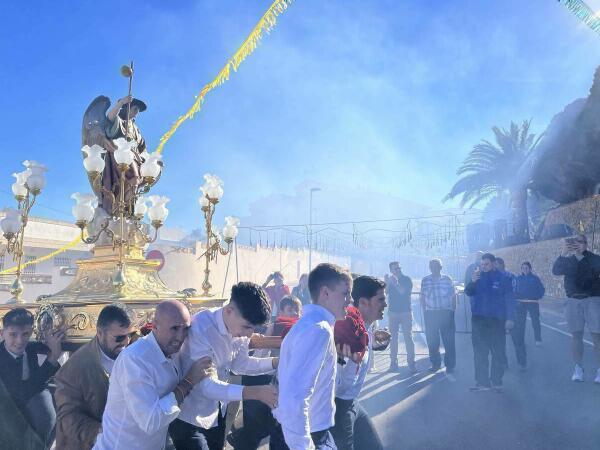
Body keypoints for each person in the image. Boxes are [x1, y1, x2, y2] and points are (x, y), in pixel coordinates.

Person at [170, 282, 279, 450]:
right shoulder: (202, 328)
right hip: (189, 416)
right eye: (246, 327)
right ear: (229, 311)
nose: (249, 334)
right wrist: (256, 392)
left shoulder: (239, 329)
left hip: (217, 413)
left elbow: (240, 365)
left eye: (253, 328)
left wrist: (275, 362)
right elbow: (206, 386)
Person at [93, 300, 214, 450]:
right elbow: (151, 422)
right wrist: (188, 382)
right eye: (174, 328)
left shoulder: (174, 351)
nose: (181, 336)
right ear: (155, 326)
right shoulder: (135, 359)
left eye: (186, 329)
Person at [271, 263, 353, 450]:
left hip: (307, 432)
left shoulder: (313, 325)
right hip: (305, 436)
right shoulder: (318, 330)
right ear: (325, 293)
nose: (350, 300)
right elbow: (294, 398)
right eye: (346, 293)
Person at [54, 304, 134, 450]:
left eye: (130, 335)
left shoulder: (134, 353)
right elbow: (68, 418)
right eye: (119, 337)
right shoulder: (74, 368)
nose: (126, 342)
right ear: (99, 333)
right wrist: (106, 433)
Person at [227, 295, 302, 450]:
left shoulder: (297, 331)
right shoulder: (274, 328)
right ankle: (239, 439)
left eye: (297, 310)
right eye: (290, 309)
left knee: (267, 427)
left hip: (276, 386)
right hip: (258, 380)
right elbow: (258, 358)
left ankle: (238, 437)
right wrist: (269, 338)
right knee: (256, 427)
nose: (294, 313)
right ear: (280, 311)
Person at [331, 275, 389, 450]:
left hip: (351, 403)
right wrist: (354, 362)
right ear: (363, 303)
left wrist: (374, 342)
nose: (385, 305)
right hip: (337, 408)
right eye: (381, 300)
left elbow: (366, 339)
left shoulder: (363, 327)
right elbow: (338, 388)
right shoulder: (348, 334)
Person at [0, 308, 64, 449]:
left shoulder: (30, 348)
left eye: (25, 334)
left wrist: (53, 338)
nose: (20, 341)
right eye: (13, 335)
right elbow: (22, 392)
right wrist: (52, 359)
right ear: (2, 334)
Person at [552, 234, 600, 383]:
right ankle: (578, 368)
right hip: (573, 300)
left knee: (597, 337)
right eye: (575, 242)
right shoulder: (567, 260)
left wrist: (583, 256)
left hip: (592, 299)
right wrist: (563, 253)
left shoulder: (594, 258)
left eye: (581, 242)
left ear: (586, 244)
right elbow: (555, 271)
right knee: (576, 336)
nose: (578, 245)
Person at [464, 253, 515, 392]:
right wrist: (473, 281)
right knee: (480, 352)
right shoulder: (477, 277)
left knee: (497, 352)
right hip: (479, 320)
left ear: (493, 264)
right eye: (482, 264)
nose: (483, 267)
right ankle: (482, 382)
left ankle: (497, 381)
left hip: (497, 320)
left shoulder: (503, 278)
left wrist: (510, 318)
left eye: (486, 264)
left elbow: (510, 299)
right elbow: (468, 292)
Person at [420, 259, 457, 374]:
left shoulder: (447, 279)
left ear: (441, 267)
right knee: (432, 341)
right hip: (431, 313)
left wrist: (452, 311)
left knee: (449, 340)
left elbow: (453, 295)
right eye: (431, 266)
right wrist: (425, 312)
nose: (433, 268)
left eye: (436, 266)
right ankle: (435, 363)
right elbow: (422, 297)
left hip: (446, 312)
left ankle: (450, 365)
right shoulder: (425, 280)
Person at [510, 262, 545, 370]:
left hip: (533, 302)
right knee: (521, 323)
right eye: (523, 268)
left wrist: (537, 296)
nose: (525, 269)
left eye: (526, 268)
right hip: (521, 303)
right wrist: (516, 298)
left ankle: (538, 339)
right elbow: (514, 289)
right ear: (521, 269)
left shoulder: (535, 278)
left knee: (535, 320)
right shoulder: (517, 278)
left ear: (530, 268)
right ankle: (521, 340)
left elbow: (541, 290)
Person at [384, 262, 415, 372]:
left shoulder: (407, 279)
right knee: (393, 339)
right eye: (395, 269)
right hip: (393, 313)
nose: (398, 270)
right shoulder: (390, 281)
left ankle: (411, 363)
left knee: (408, 337)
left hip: (405, 312)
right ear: (391, 271)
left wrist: (395, 283)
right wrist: (387, 283)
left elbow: (403, 292)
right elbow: (384, 293)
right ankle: (393, 363)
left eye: (399, 268)